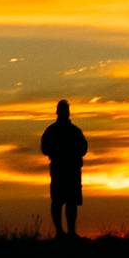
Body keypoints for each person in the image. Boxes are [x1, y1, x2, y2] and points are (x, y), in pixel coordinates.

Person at [40, 99, 88, 238]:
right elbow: (45, 148)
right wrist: (59, 153)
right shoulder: (54, 131)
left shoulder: (74, 131)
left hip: (71, 170)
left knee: (70, 202)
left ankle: (70, 232)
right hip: (61, 170)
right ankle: (60, 232)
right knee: (58, 201)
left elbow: (84, 148)